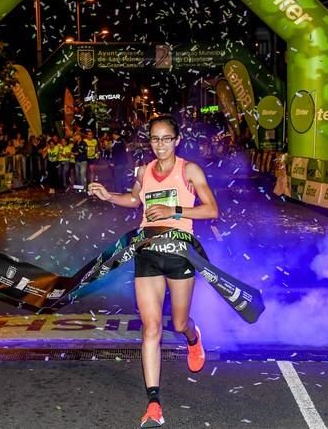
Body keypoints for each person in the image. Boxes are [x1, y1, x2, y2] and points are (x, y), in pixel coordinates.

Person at [88, 114, 219, 428]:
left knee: (178, 321)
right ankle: (154, 402)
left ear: (176, 140)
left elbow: (211, 209)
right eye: (155, 139)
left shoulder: (189, 170)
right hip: (147, 252)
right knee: (151, 328)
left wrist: (174, 210)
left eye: (166, 139)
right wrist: (109, 196)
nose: (160, 145)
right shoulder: (144, 171)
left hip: (179, 251)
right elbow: (135, 200)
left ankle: (192, 336)